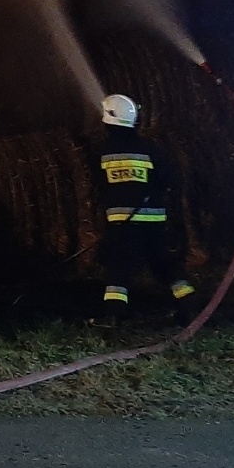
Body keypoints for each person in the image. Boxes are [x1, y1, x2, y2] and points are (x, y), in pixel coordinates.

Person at [92, 94, 195, 323]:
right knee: (163, 265)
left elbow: (98, 186)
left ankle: (113, 315)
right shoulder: (150, 148)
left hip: (121, 221)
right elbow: (171, 179)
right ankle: (188, 303)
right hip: (155, 219)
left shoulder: (102, 151)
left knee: (118, 267)